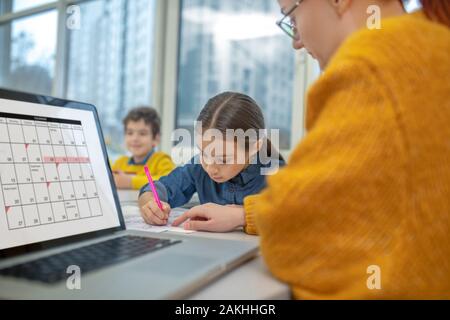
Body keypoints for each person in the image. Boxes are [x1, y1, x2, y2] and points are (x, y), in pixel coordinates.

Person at [176, 0, 450, 298]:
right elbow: (343, 205)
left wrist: (257, 217)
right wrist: (246, 215)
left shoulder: (372, 63)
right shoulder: (431, 42)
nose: (296, 41)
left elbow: (291, 238)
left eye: (291, 18)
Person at [138, 92, 285, 232]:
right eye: (204, 153)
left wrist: (242, 216)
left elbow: (298, 213)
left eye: (223, 159)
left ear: (255, 147)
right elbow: (163, 187)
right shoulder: (198, 168)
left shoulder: (280, 174)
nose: (210, 168)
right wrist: (149, 202)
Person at [112, 107, 175, 190]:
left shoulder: (162, 160)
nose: (135, 138)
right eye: (130, 133)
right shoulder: (120, 163)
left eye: (142, 133)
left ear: (156, 139)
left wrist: (131, 182)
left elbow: (169, 182)